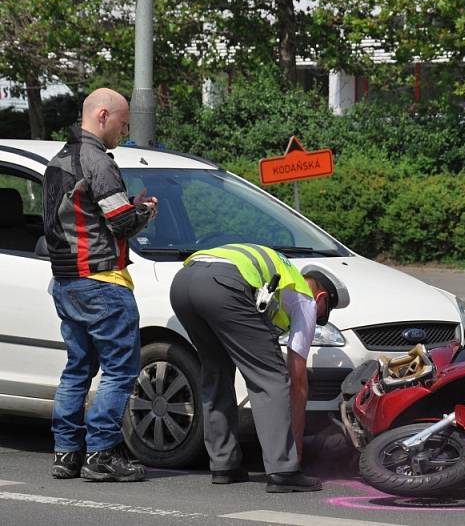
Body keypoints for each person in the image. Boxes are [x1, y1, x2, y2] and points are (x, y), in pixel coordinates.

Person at [43, 88, 158, 481]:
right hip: (102, 280)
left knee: (77, 368)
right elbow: (121, 222)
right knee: (120, 370)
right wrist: (144, 211)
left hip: (66, 282)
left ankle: (66, 453)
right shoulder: (97, 161)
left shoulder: (57, 160)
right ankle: (102, 453)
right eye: (123, 124)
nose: (124, 132)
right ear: (103, 115)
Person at [169, 244, 349, 492]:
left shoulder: (281, 276)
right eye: (323, 315)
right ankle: (283, 471)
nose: (317, 321)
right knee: (272, 378)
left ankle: (224, 464)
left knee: (216, 372)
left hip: (183, 283)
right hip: (223, 285)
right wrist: (295, 454)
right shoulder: (305, 299)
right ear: (322, 298)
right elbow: (297, 381)